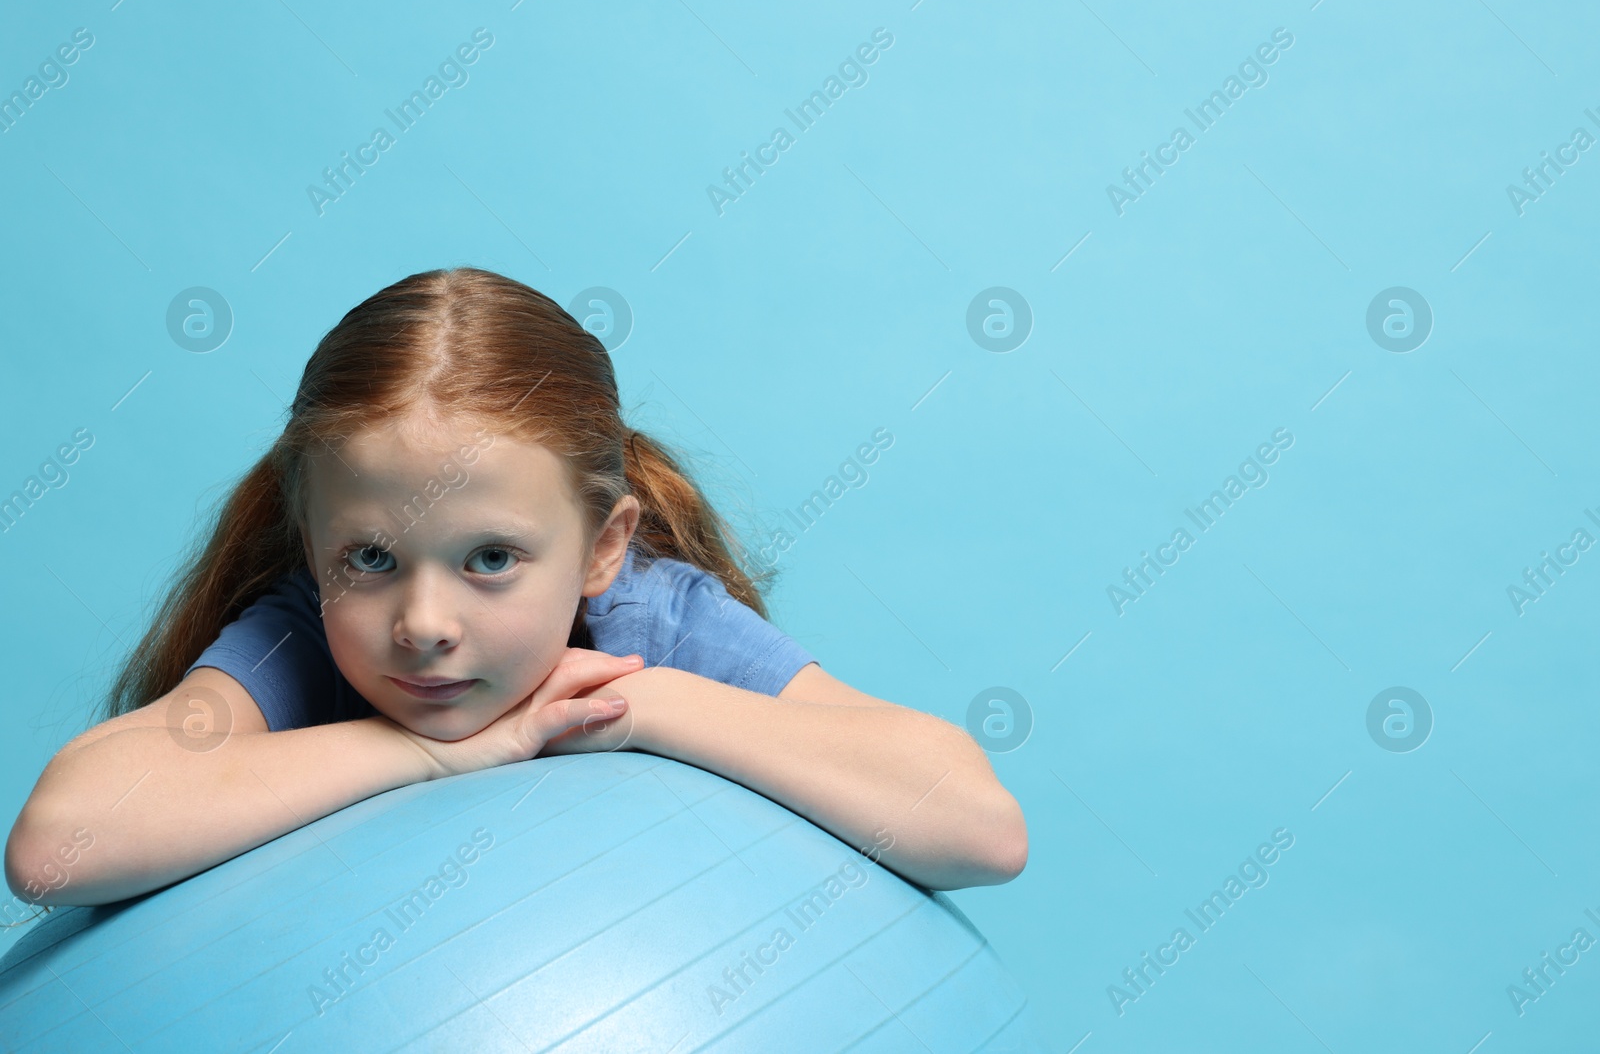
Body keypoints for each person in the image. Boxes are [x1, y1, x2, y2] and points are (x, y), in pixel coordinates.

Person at [3, 267, 1027, 915]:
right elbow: (58, 844)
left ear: (600, 546)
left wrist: (643, 704)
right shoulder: (300, 641)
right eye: (368, 558)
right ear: (309, 544)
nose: (424, 624)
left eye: (490, 557)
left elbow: (980, 828)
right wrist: (417, 748)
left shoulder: (648, 625)